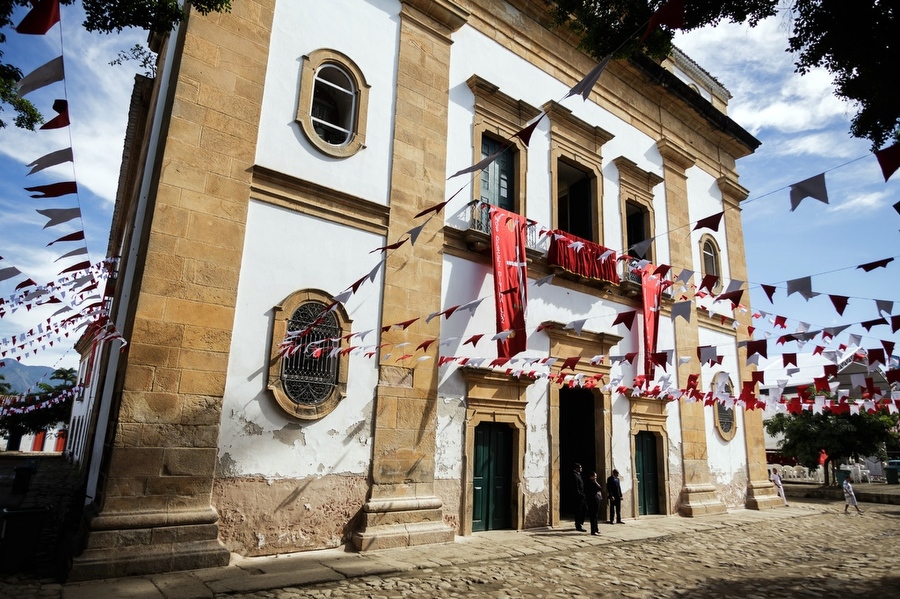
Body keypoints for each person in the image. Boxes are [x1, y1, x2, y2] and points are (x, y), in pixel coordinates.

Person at [585, 471, 604, 535]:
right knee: (593, 516)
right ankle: (593, 530)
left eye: (596, 476)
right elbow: (599, 488)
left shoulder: (594, 482)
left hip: (596, 500)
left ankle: (596, 529)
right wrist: (596, 482)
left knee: (596, 516)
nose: (595, 477)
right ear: (591, 477)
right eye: (594, 476)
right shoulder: (591, 483)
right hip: (593, 501)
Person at [573, 463, 586, 532]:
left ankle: (580, 522)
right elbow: (576, 487)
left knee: (585, 509)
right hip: (579, 496)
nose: (581, 468)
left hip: (582, 495)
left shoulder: (579, 475)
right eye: (580, 467)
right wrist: (579, 495)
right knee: (578, 511)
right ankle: (578, 525)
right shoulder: (574, 475)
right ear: (576, 468)